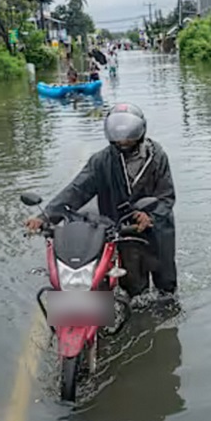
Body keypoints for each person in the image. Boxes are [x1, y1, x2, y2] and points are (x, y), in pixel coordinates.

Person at [25, 103, 177, 299]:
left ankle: (167, 319)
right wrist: (45, 217)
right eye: (119, 138)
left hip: (158, 228)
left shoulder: (157, 157)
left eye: (129, 137)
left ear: (140, 131)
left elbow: (166, 196)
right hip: (122, 229)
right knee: (133, 287)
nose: (124, 141)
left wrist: (150, 216)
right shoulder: (101, 161)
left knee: (166, 284)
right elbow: (76, 190)